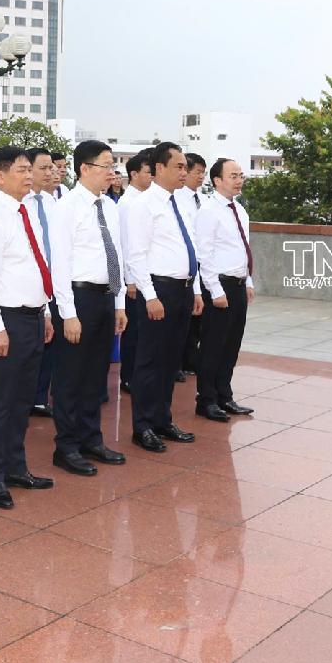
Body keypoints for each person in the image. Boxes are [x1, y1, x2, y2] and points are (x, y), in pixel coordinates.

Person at [0, 146, 55, 509]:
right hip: (6, 319)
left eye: (28, 169)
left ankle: (16, 467)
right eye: (21, 170)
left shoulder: (27, 212)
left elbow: (35, 266)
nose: (28, 175)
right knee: (1, 402)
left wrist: (45, 312)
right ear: (0, 177)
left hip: (33, 317)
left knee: (23, 400)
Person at [49, 140, 129, 476]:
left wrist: (119, 303)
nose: (112, 172)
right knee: (71, 375)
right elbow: (59, 263)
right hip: (77, 298)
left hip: (105, 297)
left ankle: (91, 438)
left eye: (113, 166)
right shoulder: (66, 207)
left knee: (97, 375)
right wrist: (68, 313)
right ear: (84, 168)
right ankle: (66, 446)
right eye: (106, 165)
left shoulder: (109, 206)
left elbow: (117, 256)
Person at [125, 142, 203, 453]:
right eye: (179, 167)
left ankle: (162, 419)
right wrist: (150, 296)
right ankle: (143, 426)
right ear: (159, 168)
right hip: (159, 290)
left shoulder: (179, 202)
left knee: (171, 360)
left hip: (183, 289)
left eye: (186, 167)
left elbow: (189, 247)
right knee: (150, 360)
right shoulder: (143, 205)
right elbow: (136, 254)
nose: (184, 172)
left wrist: (195, 289)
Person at [194, 158, 257, 422]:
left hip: (238, 284)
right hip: (219, 286)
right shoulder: (209, 210)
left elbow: (244, 248)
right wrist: (215, 289)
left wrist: (248, 281)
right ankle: (206, 399)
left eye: (241, 175)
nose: (239, 180)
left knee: (232, 343)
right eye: (233, 176)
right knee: (213, 344)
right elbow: (204, 254)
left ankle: (224, 395)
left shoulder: (240, 209)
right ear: (217, 180)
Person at [24, 148, 60, 417]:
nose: (50, 173)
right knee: (28, 347)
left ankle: (39, 397)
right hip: (29, 284)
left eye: (52, 168)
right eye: (43, 168)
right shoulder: (19, 203)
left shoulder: (51, 203)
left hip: (54, 280)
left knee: (50, 342)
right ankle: (23, 397)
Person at [116, 149, 154, 395]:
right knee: (133, 332)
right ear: (134, 174)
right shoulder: (127, 203)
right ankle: (128, 377)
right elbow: (126, 244)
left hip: (145, 275)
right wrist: (130, 280)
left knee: (144, 332)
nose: (151, 176)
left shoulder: (146, 200)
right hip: (133, 278)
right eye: (148, 172)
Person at [178, 153, 208, 381]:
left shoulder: (204, 200)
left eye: (203, 173)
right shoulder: (177, 199)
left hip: (202, 263)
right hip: (184, 263)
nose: (201, 177)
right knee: (182, 319)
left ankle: (191, 359)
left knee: (198, 316)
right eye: (197, 172)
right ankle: (177, 362)